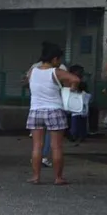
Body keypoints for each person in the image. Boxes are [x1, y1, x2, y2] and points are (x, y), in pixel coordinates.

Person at [26, 43, 80, 185]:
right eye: (59, 60)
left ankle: (36, 177)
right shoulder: (56, 72)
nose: (60, 62)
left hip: (35, 111)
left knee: (37, 146)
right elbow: (75, 79)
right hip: (54, 110)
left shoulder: (33, 71)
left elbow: (29, 83)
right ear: (55, 59)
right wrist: (72, 89)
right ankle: (58, 178)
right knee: (56, 146)